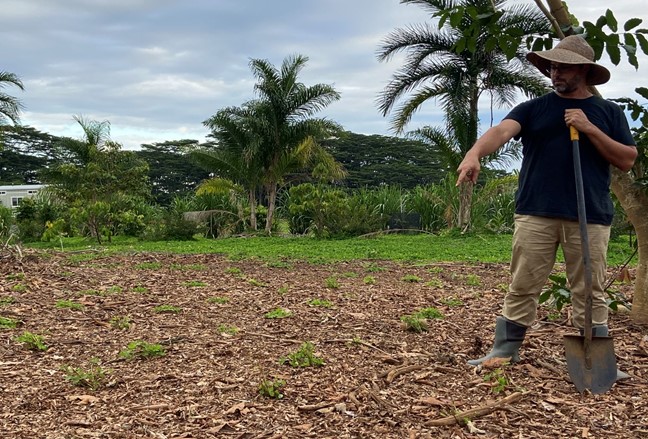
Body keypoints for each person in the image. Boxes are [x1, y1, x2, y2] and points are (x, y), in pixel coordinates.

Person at [456, 35, 638, 378]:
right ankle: (504, 351)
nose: (555, 73)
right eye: (552, 66)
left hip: (590, 214)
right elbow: (501, 131)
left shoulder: (607, 112)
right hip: (536, 212)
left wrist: (589, 128)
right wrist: (474, 153)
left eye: (563, 67)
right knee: (523, 282)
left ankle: (596, 363)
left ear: (582, 70)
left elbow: (627, 159)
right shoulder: (534, 108)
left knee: (590, 288)